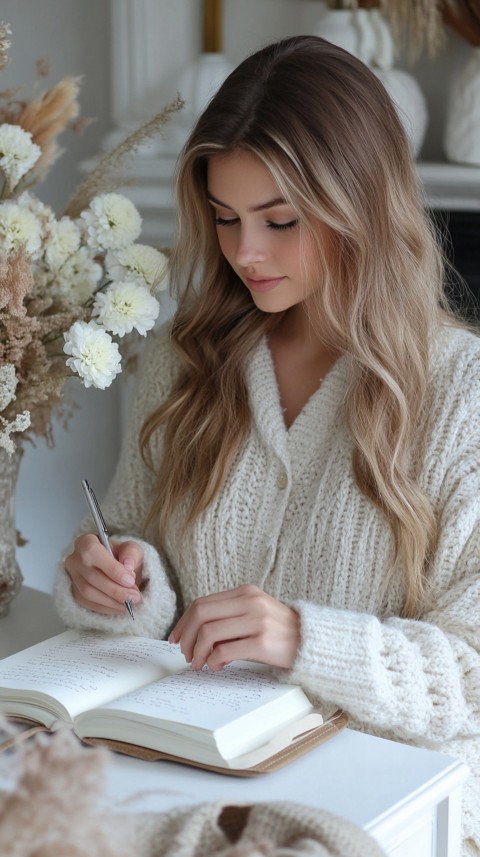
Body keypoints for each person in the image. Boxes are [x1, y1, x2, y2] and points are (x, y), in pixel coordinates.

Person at [54, 36, 480, 855]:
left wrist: (301, 637)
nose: (245, 253)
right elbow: (142, 555)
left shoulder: (458, 393)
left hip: (390, 795)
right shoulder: (188, 359)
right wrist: (123, 578)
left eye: (280, 221)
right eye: (225, 218)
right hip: (191, 765)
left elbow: (469, 672)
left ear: (359, 205)